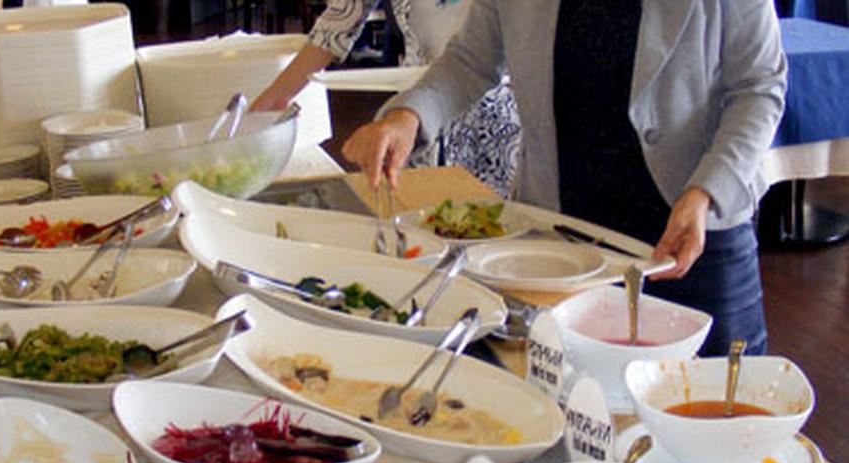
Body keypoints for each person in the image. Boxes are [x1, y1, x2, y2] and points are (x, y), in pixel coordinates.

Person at [342, 0, 787, 356]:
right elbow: (470, 60)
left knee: (725, 412)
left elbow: (759, 87)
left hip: (694, 237)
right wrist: (407, 117)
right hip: (567, 241)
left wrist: (705, 192)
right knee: (584, 408)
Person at [250, 0, 521, 196]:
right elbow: (338, 21)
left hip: (499, 122)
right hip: (417, 118)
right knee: (429, 230)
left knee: (502, 239)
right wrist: (272, 101)